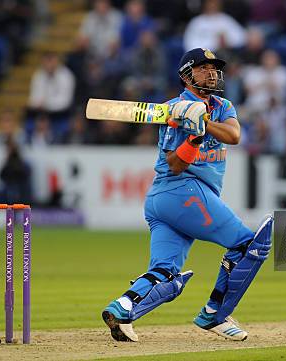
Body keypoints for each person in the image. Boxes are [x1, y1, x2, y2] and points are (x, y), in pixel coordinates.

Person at [102, 48, 273, 342]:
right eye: (203, 68)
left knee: (167, 275)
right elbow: (176, 164)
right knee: (249, 245)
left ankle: (122, 308)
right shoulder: (174, 109)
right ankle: (214, 314)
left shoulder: (222, 106)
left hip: (169, 201)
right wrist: (192, 135)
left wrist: (202, 123)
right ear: (186, 75)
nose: (211, 73)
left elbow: (234, 136)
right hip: (181, 191)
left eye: (213, 68)